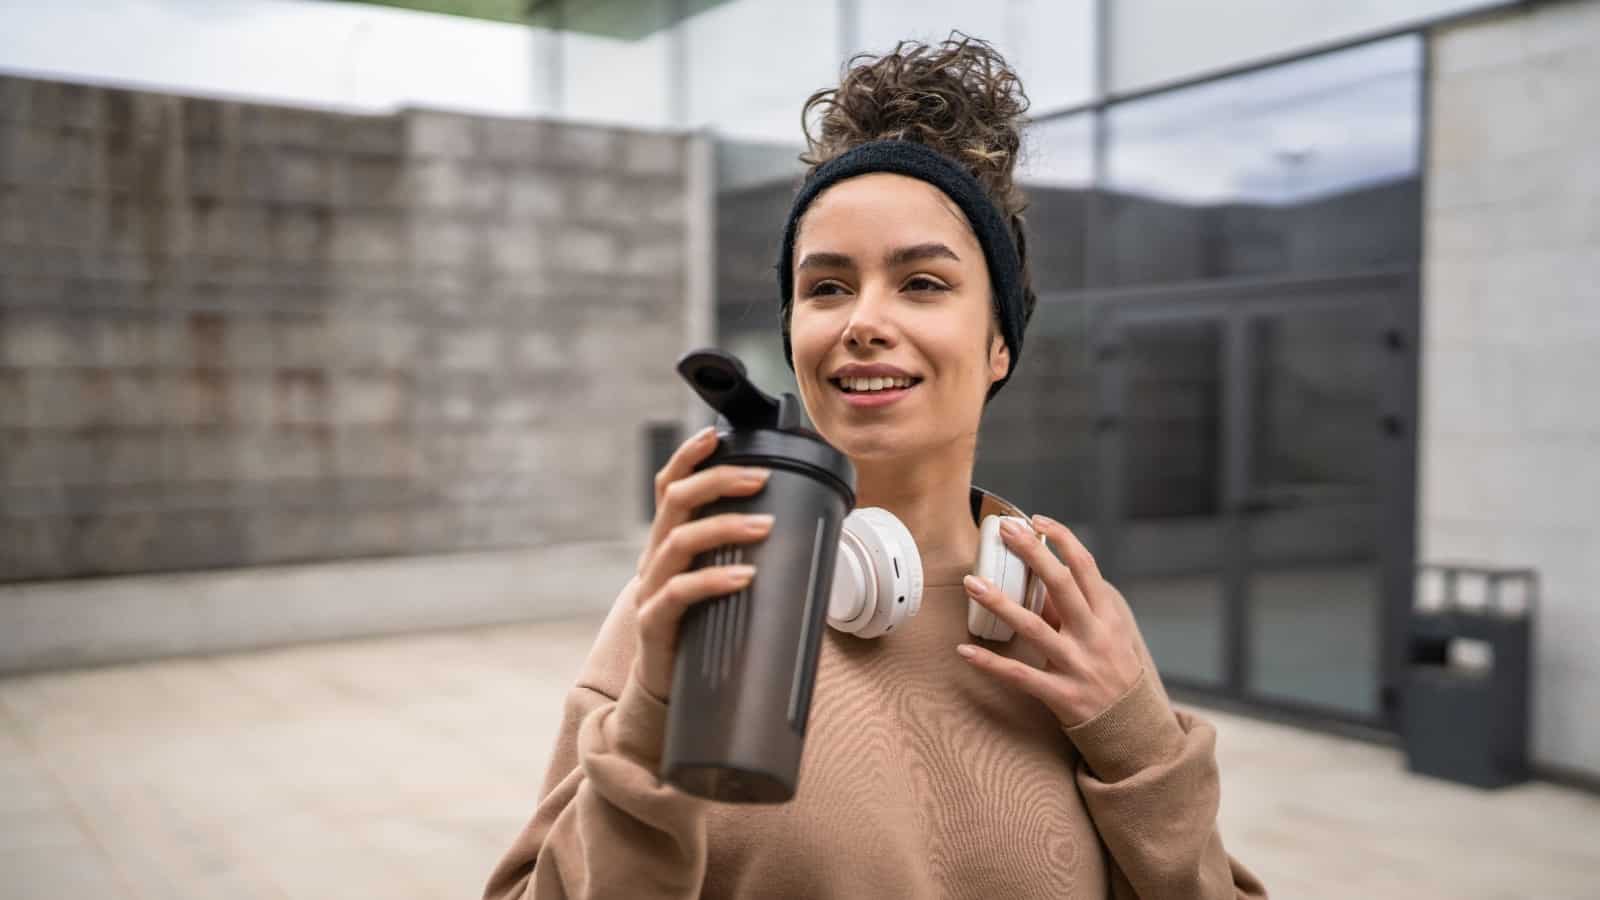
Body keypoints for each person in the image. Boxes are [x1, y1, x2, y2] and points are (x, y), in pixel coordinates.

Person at [485, 34, 1269, 900]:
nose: (863, 321)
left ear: (999, 343)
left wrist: (1140, 745)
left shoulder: (1070, 619)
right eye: (825, 288)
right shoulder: (696, 600)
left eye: (923, 284)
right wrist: (651, 730)